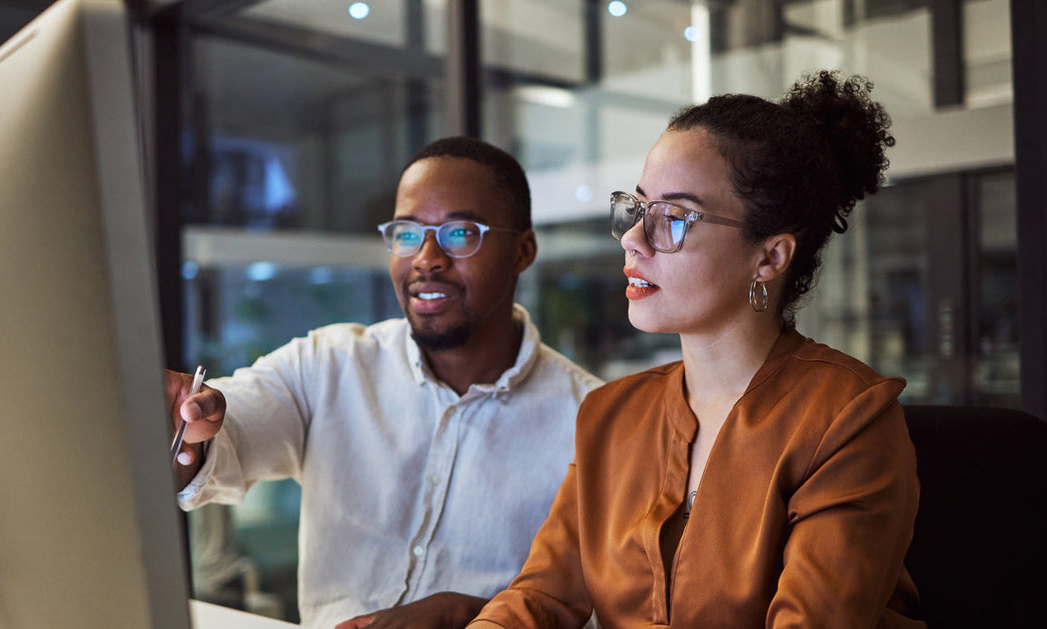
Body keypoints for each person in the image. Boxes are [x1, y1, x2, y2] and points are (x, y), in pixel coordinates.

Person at [469, 71, 925, 628]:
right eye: (636, 208)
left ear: (769, 257)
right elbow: (538, 599)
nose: (633, 238)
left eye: (673, 218)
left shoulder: (846, 418)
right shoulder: (611, 416)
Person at [166, 136, 603, 628]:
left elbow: (604, 613)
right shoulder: (327, 364)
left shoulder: (592, 420)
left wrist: (468, 616)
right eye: (407, 232)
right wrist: (189, 427)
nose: (427, 257)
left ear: (522, 251)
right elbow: (228, 437)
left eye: (460, 233)